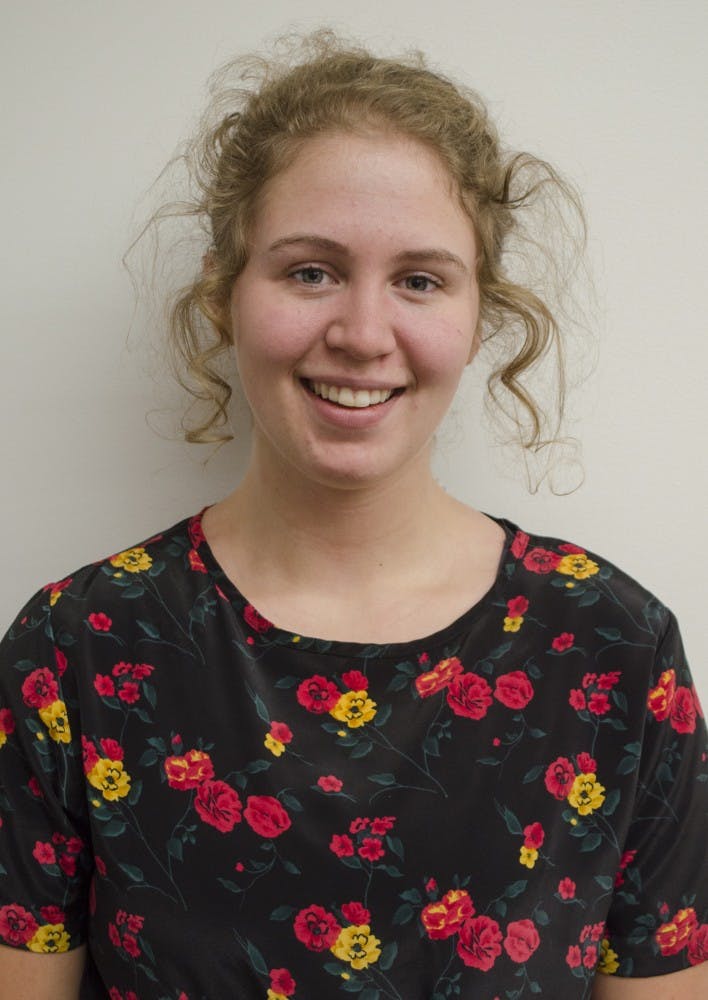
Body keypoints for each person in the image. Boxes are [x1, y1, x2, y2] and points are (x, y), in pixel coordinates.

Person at [0, 29, 705, 1000]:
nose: (364, 334)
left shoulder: (615, 648)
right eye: (310, 271)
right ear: (225, 291)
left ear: (478, 313)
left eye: (419, 280)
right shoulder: (76, 647)